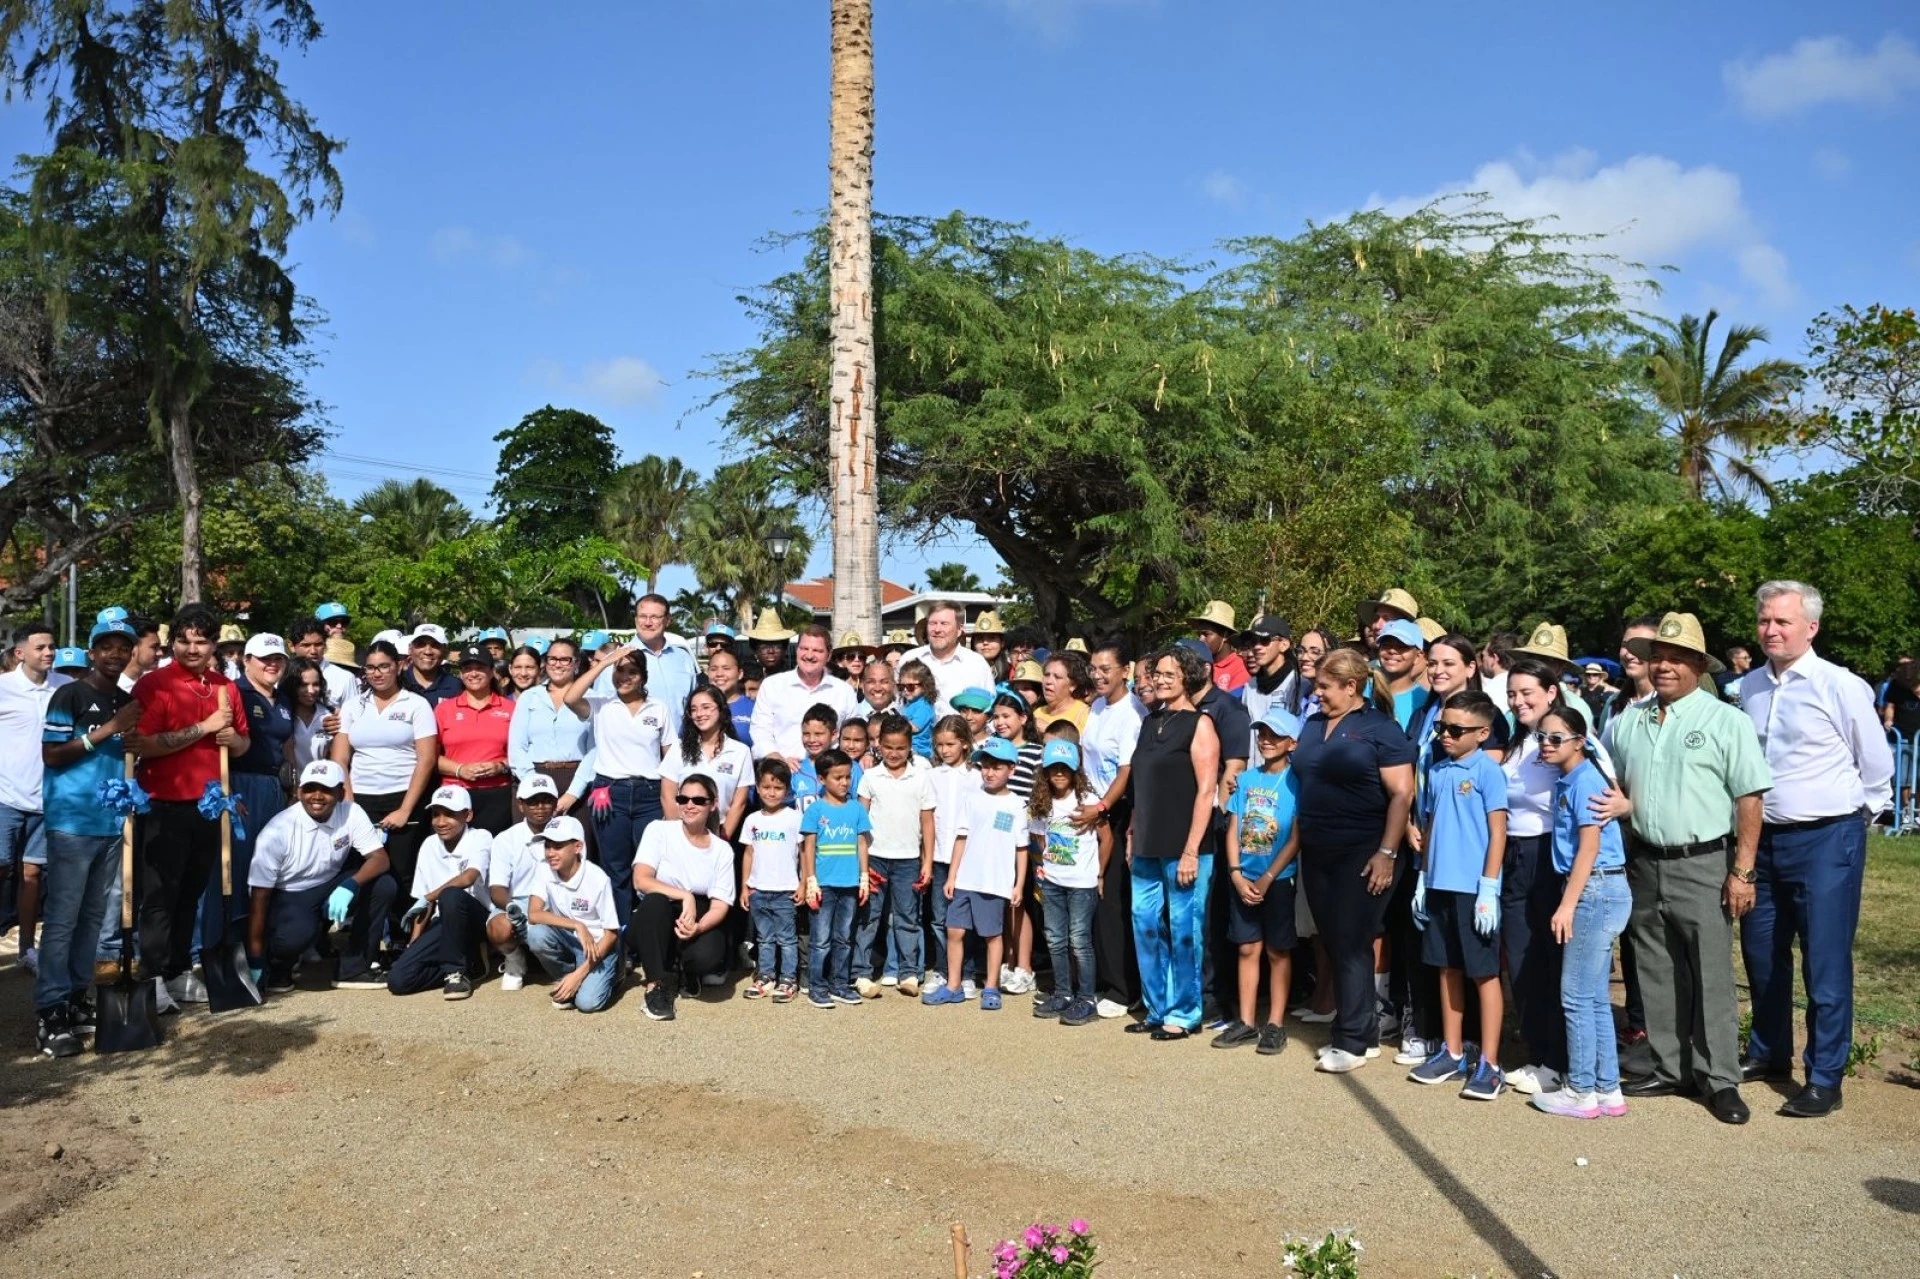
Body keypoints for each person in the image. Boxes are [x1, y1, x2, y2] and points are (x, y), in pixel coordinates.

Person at [1738, 581, 1892, 1118]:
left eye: (1782, 621)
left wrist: (1854, 818)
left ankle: (1825, 1076)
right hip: (1763, 840)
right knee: (1762, 953)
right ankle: (1769, 1052)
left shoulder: (1839, 685)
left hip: (1827, 839)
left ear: (1811, 627)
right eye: (1764, 620)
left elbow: (1877, 764)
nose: (1771, 630)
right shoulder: (1749, 686)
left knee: (1824, 961)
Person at [1611, 612, 1771, 1125]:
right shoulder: (1628, 722)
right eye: (1658, 656)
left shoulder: (1726, 721)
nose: (1664, 666)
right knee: (1654, 967)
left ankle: (1720, 1078)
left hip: (1703, 862)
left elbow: (1750, 798)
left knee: (1711, 973)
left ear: (1699, 666)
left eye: (1677, 659)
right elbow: (1614, 786)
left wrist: (1742, 872)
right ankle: (1670, 1066)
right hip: (1645, 861)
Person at [1289, 648, 1417, 1072]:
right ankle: (1360, 1031)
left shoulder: (1380, 729)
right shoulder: (1313, 724)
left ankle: (1352, 1041)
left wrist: (1387, 852)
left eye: (1325, 686)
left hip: (1364, 851)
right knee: (1335, 940)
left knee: (1351, 941)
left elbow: (1402, 793)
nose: (1317, 693)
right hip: (1318, 850)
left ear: (1351, 686)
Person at [124, 605, 250, 1011]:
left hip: (209, 806)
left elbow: (243, 744)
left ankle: (178, 970)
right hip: (162, 805)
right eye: (184, 641)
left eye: (201, 641)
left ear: (214, 645)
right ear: (172, 642)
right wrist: (205, 728)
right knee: (159, 896)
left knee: (191, 894)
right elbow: (143, 746)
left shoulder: (225, 688)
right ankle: (153, 974)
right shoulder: (154, 685)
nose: (192, 649)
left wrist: (232, 739)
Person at [34, 618, 141, 1055]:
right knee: (63, 919)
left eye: (123, 647)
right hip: (71, 822)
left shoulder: (125, 700)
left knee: (93, 919)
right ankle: (51, 1010)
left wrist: (132, 742)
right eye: (107, 647)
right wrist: (109, 730)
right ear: (92, 653)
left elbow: (125, 754)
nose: (116, 654)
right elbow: (52, 754)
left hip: (111, 824)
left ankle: (78, 997)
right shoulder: (70, 695)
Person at [1528, 706, 1632, 1119]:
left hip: (1595, 889)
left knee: (1574, 996)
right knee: (1594, 997)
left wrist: (1567, 904)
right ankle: (1607, 1088)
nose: (1546, 744)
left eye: (1556, 738)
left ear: (1580, 741)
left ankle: (1581, 1089)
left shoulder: (1585, 778)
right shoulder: (1571, 778)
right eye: (1541, 737)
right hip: (1601, 889)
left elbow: (1589, 846)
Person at [1406, 691, 1509, 1100]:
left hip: (1473, 887)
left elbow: (1498, 831)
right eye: (1440, 727)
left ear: (1482, 733)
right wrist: (1422, 877)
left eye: (1455, 729)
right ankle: (1452, 1052)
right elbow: (1430, 825)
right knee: (1445, 968)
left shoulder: (1488, 771)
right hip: (1439, 883)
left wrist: (1489, 887)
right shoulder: (1437, 770)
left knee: (1483, 973)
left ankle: (1491, 1062)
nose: (1445, 735)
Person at [1126, 645, 1223, 1041]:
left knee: (1185, 929)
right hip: (1147, 842)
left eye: (1170, 674)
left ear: (1187, 677)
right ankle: (1156, 1007)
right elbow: (1141, 785)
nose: (1160, 680)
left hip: (1186, 847)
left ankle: (1184, 1012)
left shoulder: (1201, 724)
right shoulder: (1149, 722)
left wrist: (1191, 850)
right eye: (1157, 673)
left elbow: (1207, 791)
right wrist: (1133, 832)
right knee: (1144, 922)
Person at [244, 760, 397, 993]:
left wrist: (350, 884)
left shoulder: (351, 812)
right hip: (290, 893)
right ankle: (278, 968)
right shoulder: (277, 831)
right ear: (299, 792)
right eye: (309, 789)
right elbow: (259, 898)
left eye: (326, 789)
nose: (317, 796)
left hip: (331, 884)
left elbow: (380, 858)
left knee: (383, 885)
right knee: (294, 937)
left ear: (340, 793)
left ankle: (354, 968)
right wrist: (254, 960)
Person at [331, 639, 439, 941]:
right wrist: (349, 801)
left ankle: (402, 942)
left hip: (403, 797)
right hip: (360, 800)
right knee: (365, 872)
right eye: (370, 668)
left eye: (384, 667)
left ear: (399, 666)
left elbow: (426, 759)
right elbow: (340, 758)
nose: (377, 673)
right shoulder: (353, 706)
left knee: (402, 874)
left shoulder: (416, 705)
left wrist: (405, 809)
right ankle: (366, 943)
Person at [1211, 705, 1304, 1054]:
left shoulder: (1298, 782)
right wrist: (1236, 874)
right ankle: (1247, 1021)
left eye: (1275, 735)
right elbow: (1233, 828)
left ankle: (1275, 1023)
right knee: (1247, 948)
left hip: (1278, 879)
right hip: (1244, 876)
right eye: (1262, 733)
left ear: (1292, 742)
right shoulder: (1247, 779)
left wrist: (1268, 877)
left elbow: (1296, 837)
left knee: (1278, 950)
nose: (1266, 740)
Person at [566, 643, 672, 937]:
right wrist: (603, 663)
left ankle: (649, 935)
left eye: (631, 672)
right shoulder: (602, 705)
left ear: (643, 676)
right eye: (619, 671)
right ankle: (620, 937)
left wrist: (670, 801)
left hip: (650, 794)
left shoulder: (658, 708)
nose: (624, 677)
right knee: (616, 869)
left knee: (651, 866)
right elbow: (571, 697)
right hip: (609, 793)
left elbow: (670, 756)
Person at [922, 735, 1028, 1011]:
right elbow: (961, 838)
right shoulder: (972, 798)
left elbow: (1021, 848)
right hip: (965, 880)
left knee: (992, 935)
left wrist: (1019, 884)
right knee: (954, 931)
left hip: (994, 883)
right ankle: (953, 985)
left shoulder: (1016, 804)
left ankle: (991, 986)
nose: (989, 772)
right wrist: (952, 876)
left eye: (997, 767)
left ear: (1011, 770)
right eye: (986, 766)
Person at [630, 773, 736, 1019]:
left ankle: (685, 971)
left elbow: (720, 905)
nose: (689, 805)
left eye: (698, 800)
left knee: (707, 957)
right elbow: (641, 879)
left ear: (713, 804)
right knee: (655, 902)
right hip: (658, 912)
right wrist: (684, 896)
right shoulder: (659, 830)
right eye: (683, 799)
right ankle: (655, 985)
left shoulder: (721, 849)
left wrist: (698, 928)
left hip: (698, 913)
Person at [0, 622, 71, 967]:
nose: (49, 653)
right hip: (5, 798)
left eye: (51, 646)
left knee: (32, 876)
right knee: (1, 869)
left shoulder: (66, 686)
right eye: (41, 647)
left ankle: (26, 950)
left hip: (48, 799)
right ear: (19, 653)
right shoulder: (3, 688)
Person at [221, 633, 294, 953]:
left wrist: (292, 787)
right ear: (246, 661)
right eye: (265, 659)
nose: (272, 664)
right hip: (242, 783)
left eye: (278, 658)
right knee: (240, 864)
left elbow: (287, 744)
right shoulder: (234, 692)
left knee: (271, 863)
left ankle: (263, 939)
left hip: (275, 787)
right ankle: (234, 939)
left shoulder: (283, 699)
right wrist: (227, 791)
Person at [853, 713, 936, 997]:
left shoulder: (921, 778)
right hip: (875, 857)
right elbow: (860, 821)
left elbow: (927, 823)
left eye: (900, 747)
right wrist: (861, 864)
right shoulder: (870, 777)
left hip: (909, 860)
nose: (894, 753)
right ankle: (861, 973)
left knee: (907, 918)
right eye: (888, 746)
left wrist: (927, 861)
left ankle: (909, 972)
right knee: (869, 917)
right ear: (879, 745)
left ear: (910, 746)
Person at [1029, 739, 1109, 1026]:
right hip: (1052, 881)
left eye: (1065, 768)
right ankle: (1063, 993)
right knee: (1054, 939)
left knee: (1079, 941)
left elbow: (1106, 838)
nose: (1059, 773)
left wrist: (1100, 874)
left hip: (1081, 883)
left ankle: (1086, 998)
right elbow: (1039, 837)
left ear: (1075, 770)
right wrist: (1043, 867)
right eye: (1054, 768)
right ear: (1046, 771)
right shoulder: (1042, 801)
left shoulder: (1087, 799)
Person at [387, 784, 492, 1000]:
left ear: (468, 815)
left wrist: (429, 897)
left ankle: (456, 972)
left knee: (451, 895)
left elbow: (469, 877)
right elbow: (423, 903)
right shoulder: (429, 844)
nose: (441, 822)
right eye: (436, 814)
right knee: (399, 980)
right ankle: (471, 964)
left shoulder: (481, 837)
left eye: (450, 814)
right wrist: (414, 943)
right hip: (442, 922)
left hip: (475, 919)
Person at [523, 814, 623, 1013]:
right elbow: (533, 913)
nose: (550, 853)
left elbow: (612, 933)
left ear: (578, 847)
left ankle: (614, 972)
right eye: (547, 846)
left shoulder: (597, 878)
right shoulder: (544, 869)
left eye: (558, 846)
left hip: (598, 947)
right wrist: (577, 925)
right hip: (570, 938)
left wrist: (580, 974)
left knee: (587, 1004)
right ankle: (567, 979)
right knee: (535, 933)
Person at [799, 748, 871, 1009]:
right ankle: (817, 987)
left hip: (850, 884)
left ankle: (839, 984)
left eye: (847, 777)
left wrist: (864, 876)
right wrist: (810, 880)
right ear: (822, 779)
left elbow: (862, 843)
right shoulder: (815, 810)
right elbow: (808, 846)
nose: (844, 782)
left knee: (844, 938)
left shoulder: (856, 809)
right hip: (824, 885)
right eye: (838, 777)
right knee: (820, 940)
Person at [483, 772, 561, 992]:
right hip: (518, 901)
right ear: (521, 805)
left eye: (546, 800)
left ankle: (558, 965)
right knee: (499, 928)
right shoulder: (506, 839)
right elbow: (497, 887)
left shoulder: (568, 832)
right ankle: (514, 959)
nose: (540, 807)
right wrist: (511, 907)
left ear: (556, 803)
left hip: (556, 901)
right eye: (532, 802)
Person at [433, 646, 520, 837]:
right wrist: (460, 769)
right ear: (460, 674)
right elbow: (430, 757)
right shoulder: (444, 709)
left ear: (491, 671)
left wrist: (500, 766)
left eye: (479, 668)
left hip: (497, 794)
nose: (473, 673)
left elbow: (522, 753)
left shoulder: (511, 708)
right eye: (467, 669)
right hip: (454, 793)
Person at [749, 625, 859, 766]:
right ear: (797, 650)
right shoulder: (772, 686)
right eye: (804, 649)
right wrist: (776, 757)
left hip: (830, 773)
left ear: (828, 655)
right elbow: (760, 729)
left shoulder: (844, 691)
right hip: (782, 772)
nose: (809, 655)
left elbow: (855, 733)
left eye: (817, 651)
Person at [740, 758, 803, 1002]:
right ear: (757, 787)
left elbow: (804, 852)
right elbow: (748, 853)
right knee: (764, 938)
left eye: (778, 787)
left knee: (787, 939)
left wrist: (804, 882)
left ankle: (788, 979)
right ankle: (765, 976)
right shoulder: (752, 820)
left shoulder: (794, 817)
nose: (772, 792)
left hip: (786, 890)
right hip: (758, 890)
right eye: (766, 787)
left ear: (787, 790)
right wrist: (745, 886)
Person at [506, 636, 591, 810]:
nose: (557, 664)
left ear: (576, 663)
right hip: (532, 777)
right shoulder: (529, 697)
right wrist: (535, 784)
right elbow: (517, 746)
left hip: (577, 781)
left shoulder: (592, 698)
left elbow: (595, 750)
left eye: (565, 659)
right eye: (552, 659)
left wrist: (573, 794)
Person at [663, 686, 753, 840]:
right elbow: (667, 795)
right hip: (681, 831)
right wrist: (679, 838)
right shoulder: (679, 748)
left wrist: (721, 841)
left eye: (706, 707)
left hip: (719, 832)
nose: (699, 714)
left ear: (721, 710)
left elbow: (739, 802)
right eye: (694, 709)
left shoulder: (740, 751)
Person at [619, 595, 699, 737]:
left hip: (679, 745)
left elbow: (694, 704)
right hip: (634, 746)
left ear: (667, 620)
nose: (648, 623)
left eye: (655, 617)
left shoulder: (684, 658)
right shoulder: (618, 658)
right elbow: (603, 710)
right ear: (636, 619)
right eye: (643, 616)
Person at [899, 600, 995, 716]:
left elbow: (989, 708)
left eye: (944, 624)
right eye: (933, 623)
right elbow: (897, 702)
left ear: (959, 630)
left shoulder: (976, 664)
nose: (937, 629)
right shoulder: (909, 659)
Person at [283, 657, 335, 771]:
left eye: (316, 684)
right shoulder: (281, 715)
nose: (311, 690)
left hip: (319, 781)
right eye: (303, 685)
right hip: (285, 781)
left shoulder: (329, 716)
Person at [1191, 601, 1250, 693]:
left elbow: (1231, 701)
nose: (1201, 639)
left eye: (1206, 634)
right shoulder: (1197, 665)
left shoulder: (1240, 668)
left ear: (1225, 635)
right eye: (1199, 634)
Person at [400, 624, 461, 706]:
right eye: (421, 644)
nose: (427, 651)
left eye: (435, 645)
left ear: (445, 651)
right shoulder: (396, 683)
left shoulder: (456, 686)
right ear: (410, 649)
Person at [1035, 651, 1093, 735]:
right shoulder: (1037, 712)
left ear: (1073, 685)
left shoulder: (1084, 715)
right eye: (1047, 675)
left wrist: (1048, 729)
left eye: (1057, 677)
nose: (1048, 681)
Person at [746, 608, 794, 678]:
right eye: (764, 646)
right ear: (755, 651)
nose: (771, 651)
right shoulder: (746, 678)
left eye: (776, 646)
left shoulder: (793, 679)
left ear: (784, 649)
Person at [847, 657, 897, 723]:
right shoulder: (851, 715)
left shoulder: (904, 713)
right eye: (871, 682)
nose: (878, 688)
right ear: (861, 684)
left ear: (893, 684)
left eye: (884, 682)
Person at [1479, 632, 1517, 712]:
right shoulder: (1527, 685)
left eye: (1483, 655)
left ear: (1494, 658)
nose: (1483, 661)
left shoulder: (1488, 693)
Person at [970, 610, 1009, 682]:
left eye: (992, 638)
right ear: (973, 643)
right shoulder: (964, 670)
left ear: (1002, 643)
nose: (985, 642)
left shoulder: (1012, 673)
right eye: (980, 638)